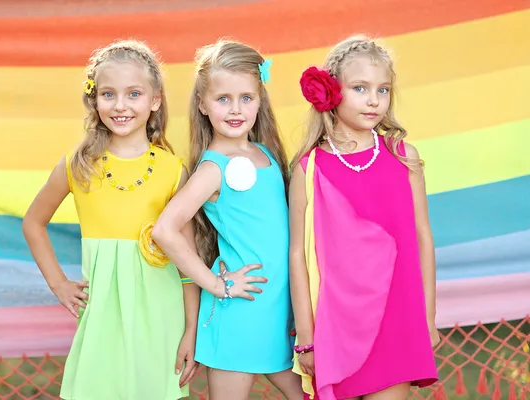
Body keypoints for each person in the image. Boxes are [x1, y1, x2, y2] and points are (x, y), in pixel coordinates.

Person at [22, 39, 200, 400]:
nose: (120, 106)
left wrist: (191, 330)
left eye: (134, 94)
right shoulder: (78, 164)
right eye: (108, 94)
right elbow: (33, 223)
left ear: (155, 100)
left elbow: (188, 260)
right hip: (102, 316)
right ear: (95, 99)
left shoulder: (172, 170)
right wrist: (59, 284)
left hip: (160, 318)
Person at [289, 35, 439, 400]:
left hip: (397, 316)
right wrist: (306, 337)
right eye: (360, 88)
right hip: (336, 323)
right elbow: (297, 254)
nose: (374, 100)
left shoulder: (404, 156)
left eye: (383, 90)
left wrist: (428, 318)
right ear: (332, 92)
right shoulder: (310, 168)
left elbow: (423, 238)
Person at [153, 39, 303, 400]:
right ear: (203, 104)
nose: (235, 109)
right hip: (240, 310)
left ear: (259, 100)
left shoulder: (265, 154)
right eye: (223, 99)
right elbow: (165, 230)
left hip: (278, 310)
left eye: (246, 98)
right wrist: (216, 285)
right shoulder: (211, 168)